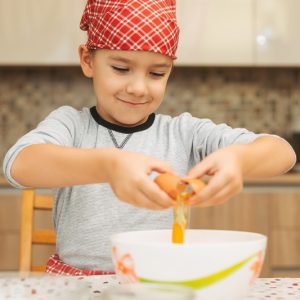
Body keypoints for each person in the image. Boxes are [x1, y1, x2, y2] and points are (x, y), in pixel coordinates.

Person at [3, 0, 296, 276]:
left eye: (157, 73)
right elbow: (18, 164)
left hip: (158, 283)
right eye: (121, 68)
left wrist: (239, 159)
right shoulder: (71, 126)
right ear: (88, 60)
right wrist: (109, 165)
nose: (139, 88)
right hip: (78, 288)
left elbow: (283, 153)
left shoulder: (182, 133)